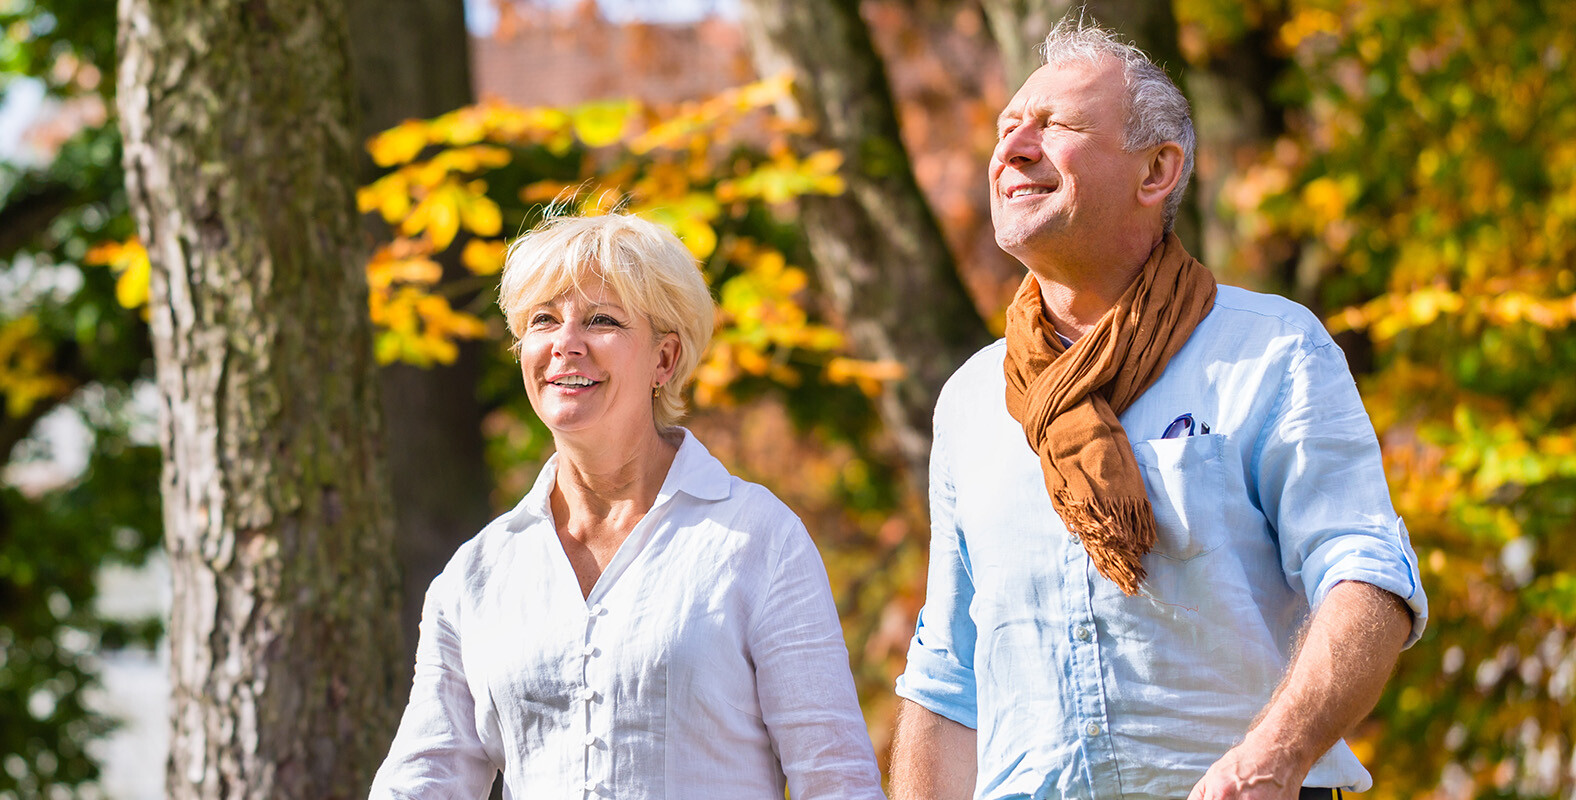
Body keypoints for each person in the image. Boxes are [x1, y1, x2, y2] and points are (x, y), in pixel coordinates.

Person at [888, 18, 1428, 800]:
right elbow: (947, 675)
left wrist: (1272, 758)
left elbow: (1366, 577)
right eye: (1007, 128)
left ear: (1157, 171)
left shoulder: (1274, 350)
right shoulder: (972, 399)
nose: (1014, 148)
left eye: (1057, 126)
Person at [371, 212, 885, 799]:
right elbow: (421, 781)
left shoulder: (758, 540)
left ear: (664, 361)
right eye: (543, 320)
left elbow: (836, 780)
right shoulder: (477, 574)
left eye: (601, 320)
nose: (566, 343)